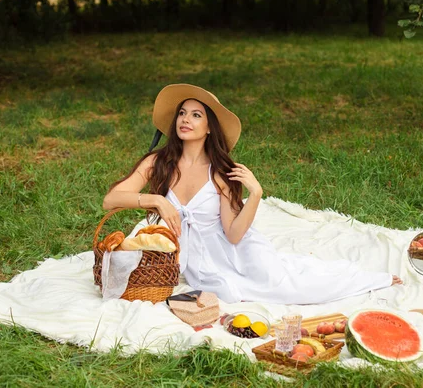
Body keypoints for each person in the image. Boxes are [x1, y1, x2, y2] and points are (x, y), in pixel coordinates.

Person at [103, 83, 402, 304]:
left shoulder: (218, 171)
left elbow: (233, 234)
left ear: (209, 128)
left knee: (279, 283)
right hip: (188, 255)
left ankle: (370, 279)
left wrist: (255, 194)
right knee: (230, 291)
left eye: (196, 115)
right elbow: (111, 200)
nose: (186, 119)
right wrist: (155, 200)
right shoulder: (158, 162)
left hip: (229, 248)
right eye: (182, 113)